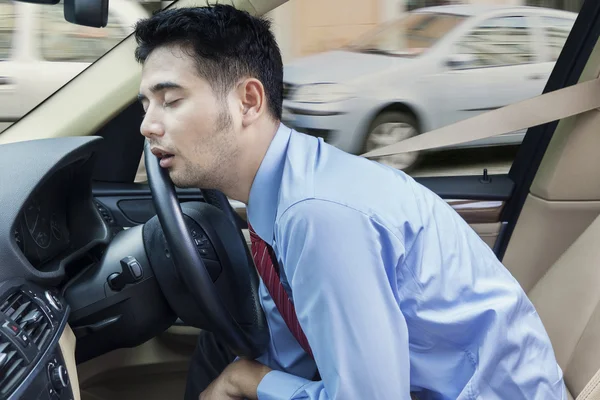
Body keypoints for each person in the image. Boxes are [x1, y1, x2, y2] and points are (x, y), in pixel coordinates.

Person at [133, 4, 567, 400]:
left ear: (248, 101)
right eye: (146, 104)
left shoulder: (319, 214)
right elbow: (290, 333)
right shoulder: (282, 188)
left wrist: (246, 380)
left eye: (171, 101)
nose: (148, 125)